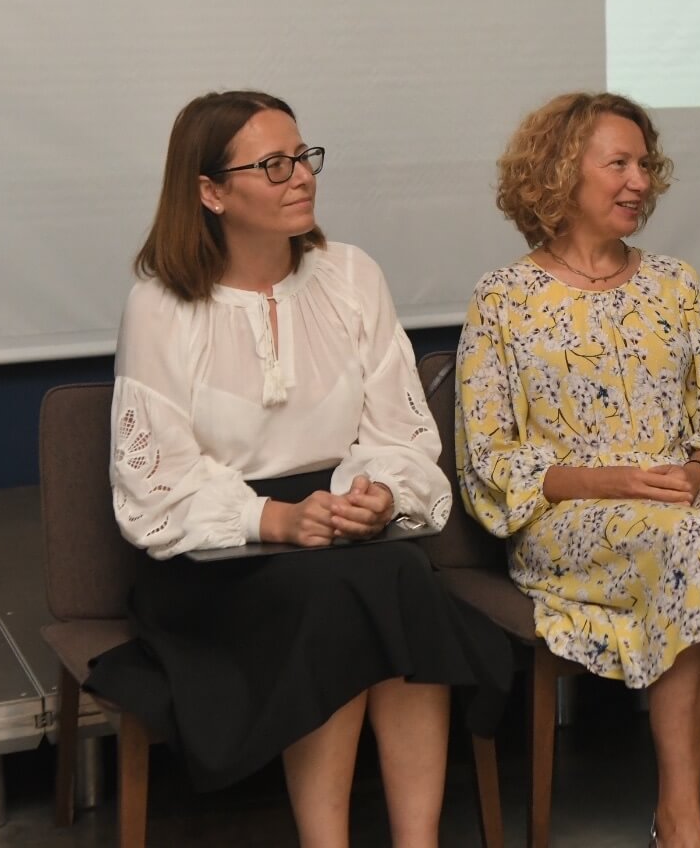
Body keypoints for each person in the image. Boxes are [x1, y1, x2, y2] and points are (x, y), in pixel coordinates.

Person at [87, 91, 510, 848]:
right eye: (274, 165)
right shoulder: (159, 306)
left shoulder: (351, 276)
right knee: (350, 594)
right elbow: (154, 487)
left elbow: (400, 431)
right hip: (216, 563)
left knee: (397, 574)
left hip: (342, 532)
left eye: (304, 156)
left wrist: (379, 495)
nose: (302, 176)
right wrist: (272, 520)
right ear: (210, 192)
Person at [456, 92, 700, 848]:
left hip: (686, 498)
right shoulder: (503, 298)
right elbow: (490, 458)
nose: (640, 182)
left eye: (645, 165)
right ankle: (679, 817)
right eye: (618, 164)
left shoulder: (675, 283)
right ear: (560, 172)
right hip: (570, 519)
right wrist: (615, 481)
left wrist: (697, 470)